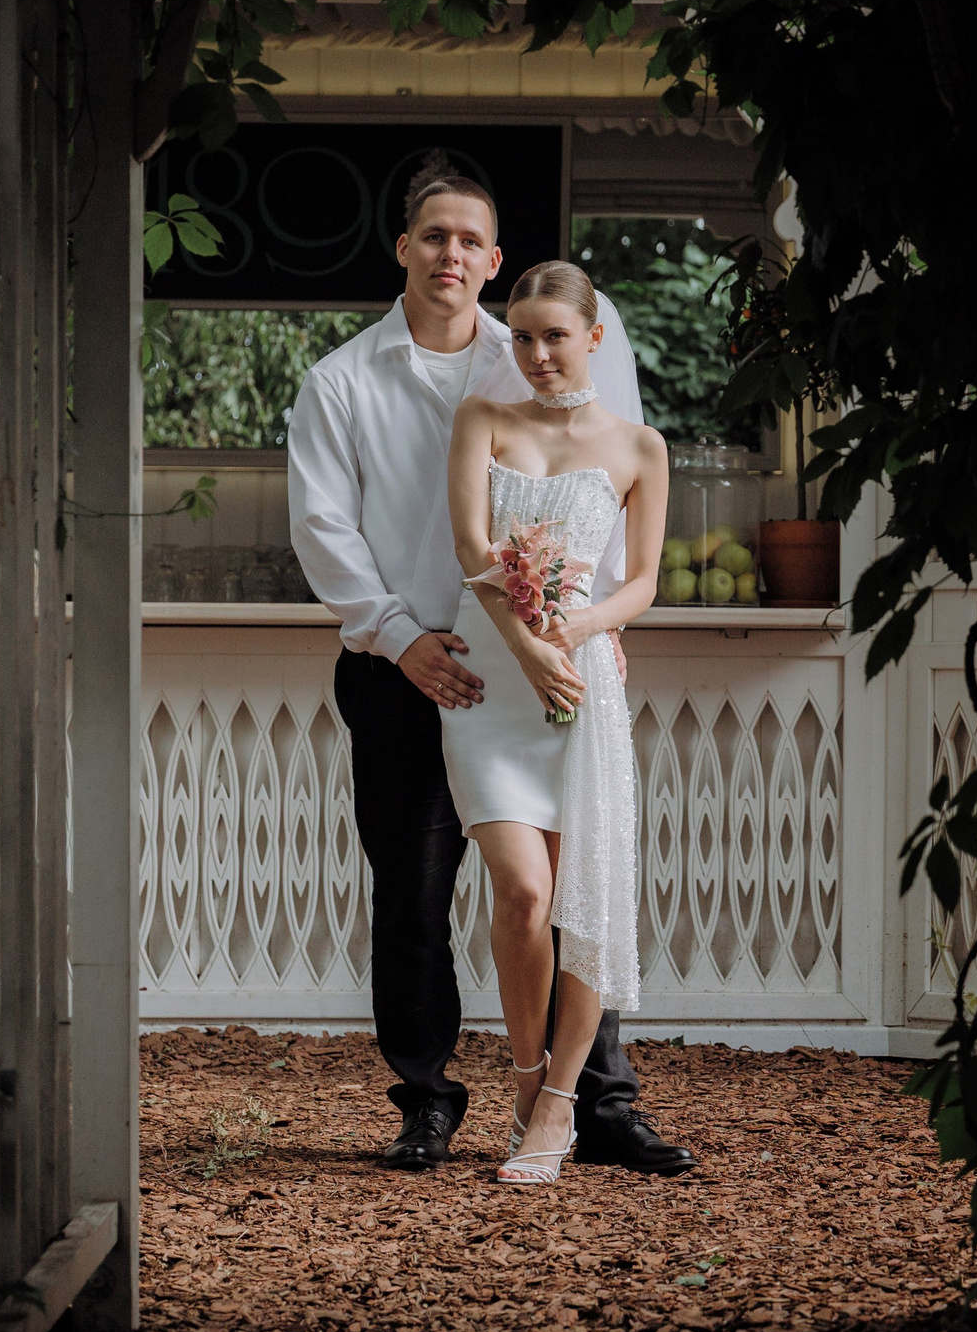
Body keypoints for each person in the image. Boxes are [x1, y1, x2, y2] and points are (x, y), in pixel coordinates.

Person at [285, 174, 697, 1177]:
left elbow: (603, 502)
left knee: (563, 889)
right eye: (434, 236)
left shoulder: (533, 349)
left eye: (470, 239)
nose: (451, 254)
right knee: (415, 897)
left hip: (539, 662)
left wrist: (588, 626)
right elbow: (322, 528)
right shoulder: (341, 381)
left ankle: (592, 1104)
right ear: (403, 248)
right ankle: (426, 1100)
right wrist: (399, 636)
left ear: (494, 259)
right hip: (404, 660)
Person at [442, 261, 664, 1183]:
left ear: (594, 338)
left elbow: (642, 583)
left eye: (555, 336)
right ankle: (526, 1075)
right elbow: (471, 546)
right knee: (524, 893)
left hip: (581, 682)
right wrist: (526, 648)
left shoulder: (640, 446)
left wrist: (576, 630)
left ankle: (559, 1102)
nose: (536, 354)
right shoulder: (482, 420)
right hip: (492, 683)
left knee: (584, 901)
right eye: (524, 336)